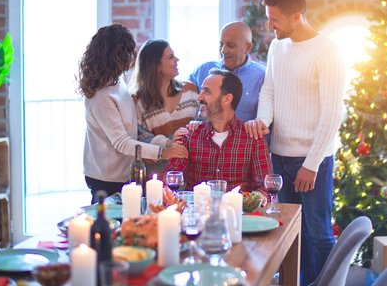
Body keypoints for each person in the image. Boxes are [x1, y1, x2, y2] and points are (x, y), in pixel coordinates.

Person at [244, 0, 346, 285]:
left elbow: (332, 113)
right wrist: (263, 120)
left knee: (317, 234)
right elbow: (270, 90)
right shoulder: (278, 47)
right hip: (279, 156)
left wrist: (311, 164)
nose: (269, 26)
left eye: (274, 20)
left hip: (312, 160)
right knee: (289, 231)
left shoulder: (327, 51)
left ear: (297, 16)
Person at [76, 24, 188, 203]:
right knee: (109, 225)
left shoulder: (118, 80)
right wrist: (163, 153)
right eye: (128, 52)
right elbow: (121, 142)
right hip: (106, 177)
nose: (131, 57)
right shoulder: (101, 96)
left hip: (123, 171)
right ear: (115, 56)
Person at [165, 69, 271, 201]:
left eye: (207, 91)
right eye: (201, 90)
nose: (199, 97)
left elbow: (265, 186)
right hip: (197, 214)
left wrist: (250, 201)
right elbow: (171, 178)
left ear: (227, 99)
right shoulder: (190, 135)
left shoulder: (252, 137)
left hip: (239, 216)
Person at [130, 39, 199, 176]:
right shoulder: (138, 101)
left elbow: (202, 122)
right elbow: (141, 140)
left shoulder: (190, 90)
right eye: (171, 57)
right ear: (156, 65)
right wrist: (168, 142)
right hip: (157, 179)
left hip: (191, 176)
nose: (177, 59)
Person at [189, 21, 265, 122]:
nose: (223, 50)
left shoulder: (262, 76)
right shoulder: (203, 70)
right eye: (221, 44)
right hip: (205, 136)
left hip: (244, 137)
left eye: (230, 45)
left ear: (247, 47)